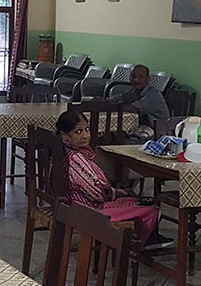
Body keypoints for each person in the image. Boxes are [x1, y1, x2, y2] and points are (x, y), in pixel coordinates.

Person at [56, 110, 173, 251]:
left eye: (86, 129)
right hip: (87, 212)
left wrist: (116, 192)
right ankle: (137, 244)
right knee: (150, 209)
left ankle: (143, 238)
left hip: (75, 207)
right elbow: (96, 193)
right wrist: (114, 194)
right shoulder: (76, 158)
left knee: (134, 198)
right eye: (78, 132)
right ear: (64, 137)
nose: (85, 135)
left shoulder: (65, 153)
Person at [113, 65, 170, 141]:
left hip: (157, 131)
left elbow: (133, 109)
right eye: (133, 76)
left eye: (141, 77)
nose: (136, 80)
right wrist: (103, 101)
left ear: (148, 79)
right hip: (140, 126)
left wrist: (109, 106)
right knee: (112, 132)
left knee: (120, 135)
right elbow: (117, 98)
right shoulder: (132, 91)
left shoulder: (153, 95)